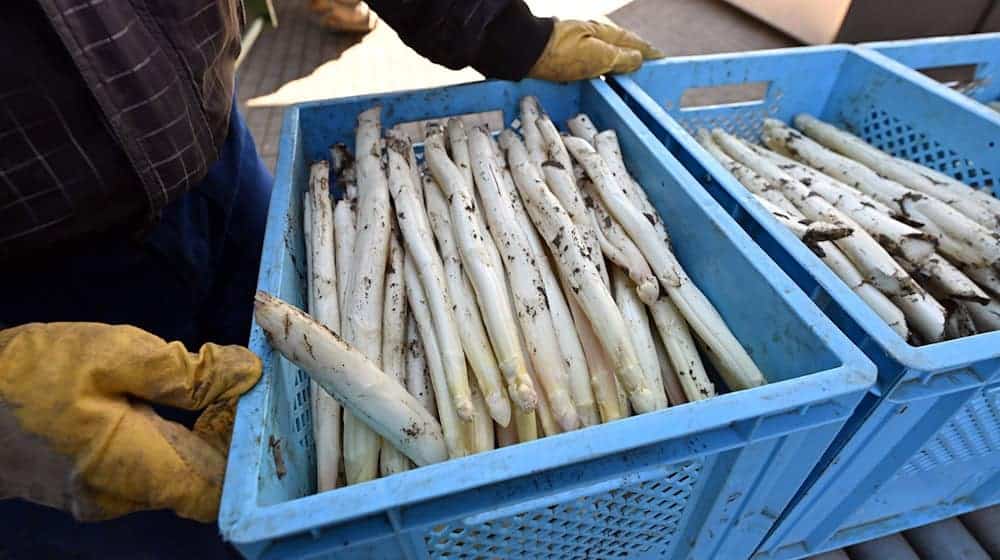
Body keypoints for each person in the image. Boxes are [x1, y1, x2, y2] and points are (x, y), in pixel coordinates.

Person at [0, 0, 661, 557]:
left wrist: (496, 27)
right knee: (135, 524)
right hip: (34, 293)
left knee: (282, 411)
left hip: (214, 166)